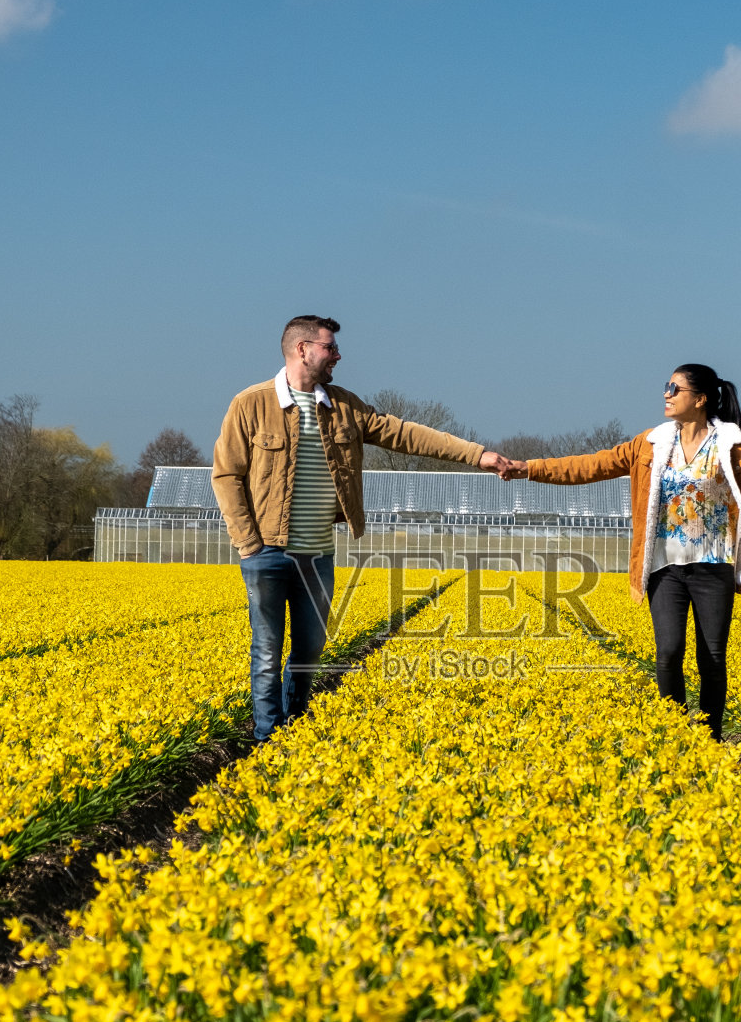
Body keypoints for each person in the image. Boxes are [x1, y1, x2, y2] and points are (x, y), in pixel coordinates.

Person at [512, 364, 741, 740]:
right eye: (667, 387)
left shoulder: (739, 446)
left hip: (713, 568)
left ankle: (710, 737)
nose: (666, 394)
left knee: (711, 659)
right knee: (669, 653)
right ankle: (676, 733)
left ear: (701, 398)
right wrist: (527, 468)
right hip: (664, 568)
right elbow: (589, 465)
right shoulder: (650, 445)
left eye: (675, 388)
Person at [212, 315, 515, 741]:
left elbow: (406, 434)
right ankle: (267, 738)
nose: (338, 355)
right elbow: (226, 475)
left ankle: (293, 728)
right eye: (329, 347)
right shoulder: (250, 404)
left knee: (309, 651)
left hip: (318, 553)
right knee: (266, 652)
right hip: (269, 552)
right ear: (303, 349)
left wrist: (476, 454)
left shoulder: (345, 406)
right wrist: (248, 544)